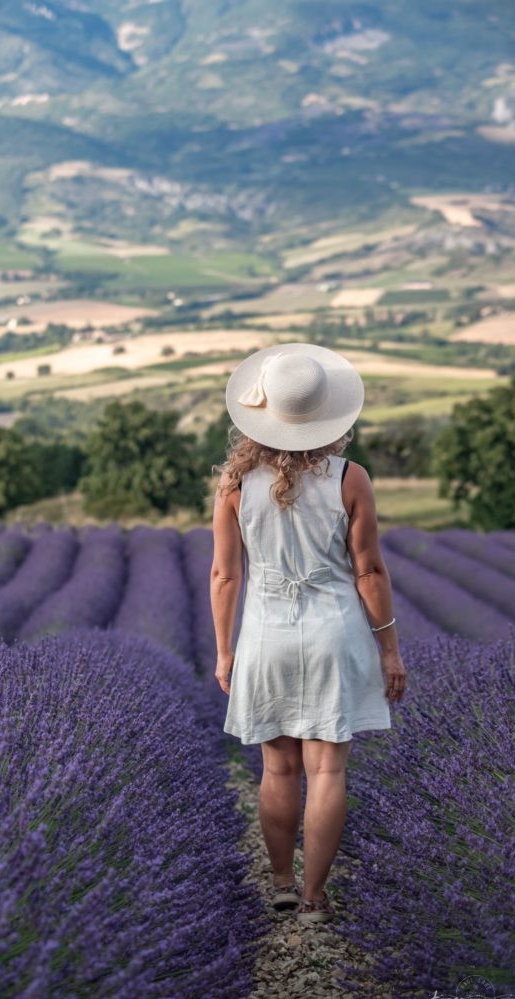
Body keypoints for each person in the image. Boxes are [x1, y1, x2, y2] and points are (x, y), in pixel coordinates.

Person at [210, 342, 407, 926]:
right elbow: (369, 570)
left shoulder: (234, 484)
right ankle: (317, 899)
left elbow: (225, 574)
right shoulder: (351, 478)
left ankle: (280, 883)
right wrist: (390, 649)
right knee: (327, 772)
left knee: (278, 770)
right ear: (329, 417)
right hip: (335, 635)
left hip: (266, 637)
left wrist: (225, 652)